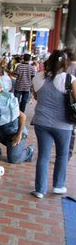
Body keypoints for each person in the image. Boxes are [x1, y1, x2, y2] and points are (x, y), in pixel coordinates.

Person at [30, 50, 76, 199]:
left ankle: (40, 189)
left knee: (43, 155)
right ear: (65, 64)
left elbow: (36, 96)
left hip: (41, 122)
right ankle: (58, 185)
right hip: (63, 125)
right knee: (62, 154)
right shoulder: (70, 79)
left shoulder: (38, 77)